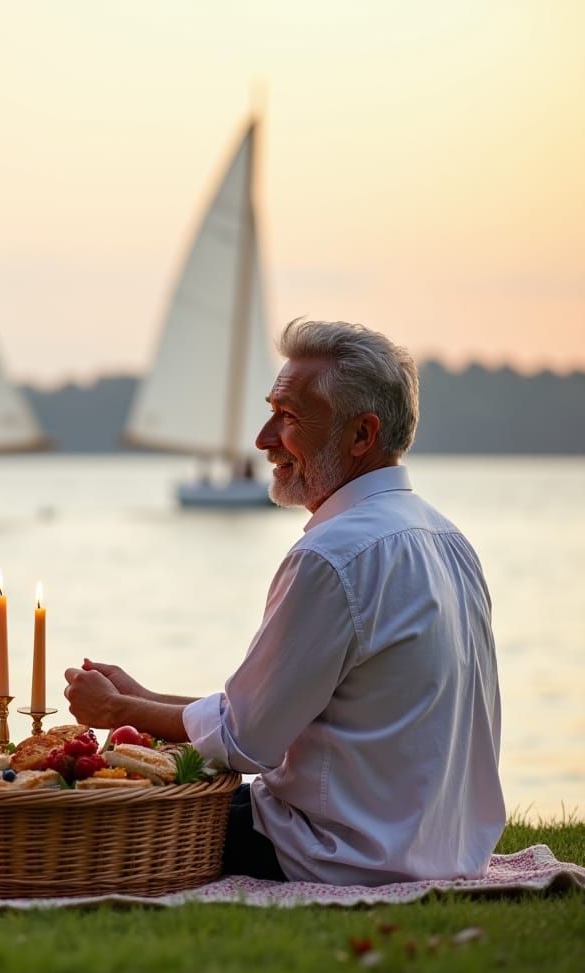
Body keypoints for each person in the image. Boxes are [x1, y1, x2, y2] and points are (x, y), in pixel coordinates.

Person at [65, 319, 504, 886]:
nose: (263, 438)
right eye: (272, 411)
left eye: (289, 417)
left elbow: (246, 742)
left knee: (97, 817)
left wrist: (120, 713)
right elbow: (265, 716)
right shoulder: (447, 539)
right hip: (443, 850)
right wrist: (146, 698)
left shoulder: (332, 554)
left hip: (339, 855)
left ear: (361, 435)